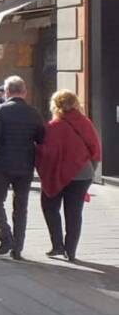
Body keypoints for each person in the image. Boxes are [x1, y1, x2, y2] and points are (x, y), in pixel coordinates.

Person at [35, 91, 101, 261]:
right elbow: (95, 149)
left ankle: (57, 245)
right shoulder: (85, 123)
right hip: (82, 174)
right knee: (74, 212)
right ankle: (71, 250)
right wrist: (89, 168)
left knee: (50, 207)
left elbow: (45, 153)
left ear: (54, 105)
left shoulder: (52, 127)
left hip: (56, 174)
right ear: (75, 103)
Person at [0, 76, 45, 261]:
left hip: (2, 164)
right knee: (21, 206)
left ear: (7, 92)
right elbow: (42, 138)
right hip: (25, 165)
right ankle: (18, 247)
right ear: (24, 92)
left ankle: (6, 234)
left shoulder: (0, 110)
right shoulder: (33, 112)